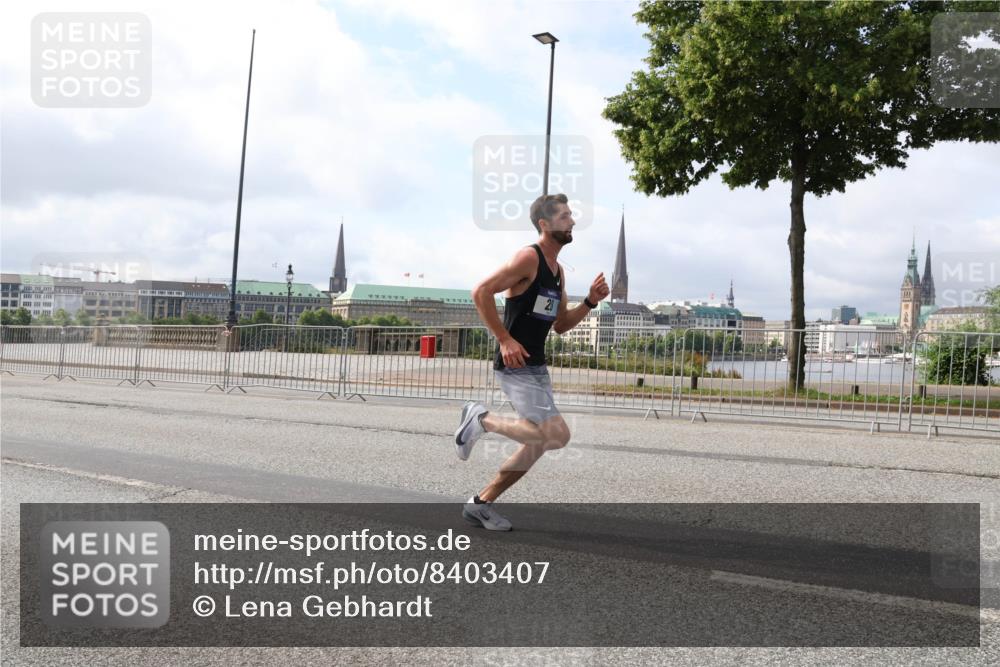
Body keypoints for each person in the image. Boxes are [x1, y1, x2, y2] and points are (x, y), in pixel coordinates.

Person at [455, 193, 610, 530]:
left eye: (571, 215)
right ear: (544, 223)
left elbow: (562, 325)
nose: (572, 221)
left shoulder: (558, 272)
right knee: (557, 435)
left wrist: (589, 302)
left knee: (537, 443)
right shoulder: (529, 258)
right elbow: (481, 291)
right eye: (564, 216)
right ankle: (482, 420)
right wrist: (504, 339)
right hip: (516, 366)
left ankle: (480, 504)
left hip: (537, 367)